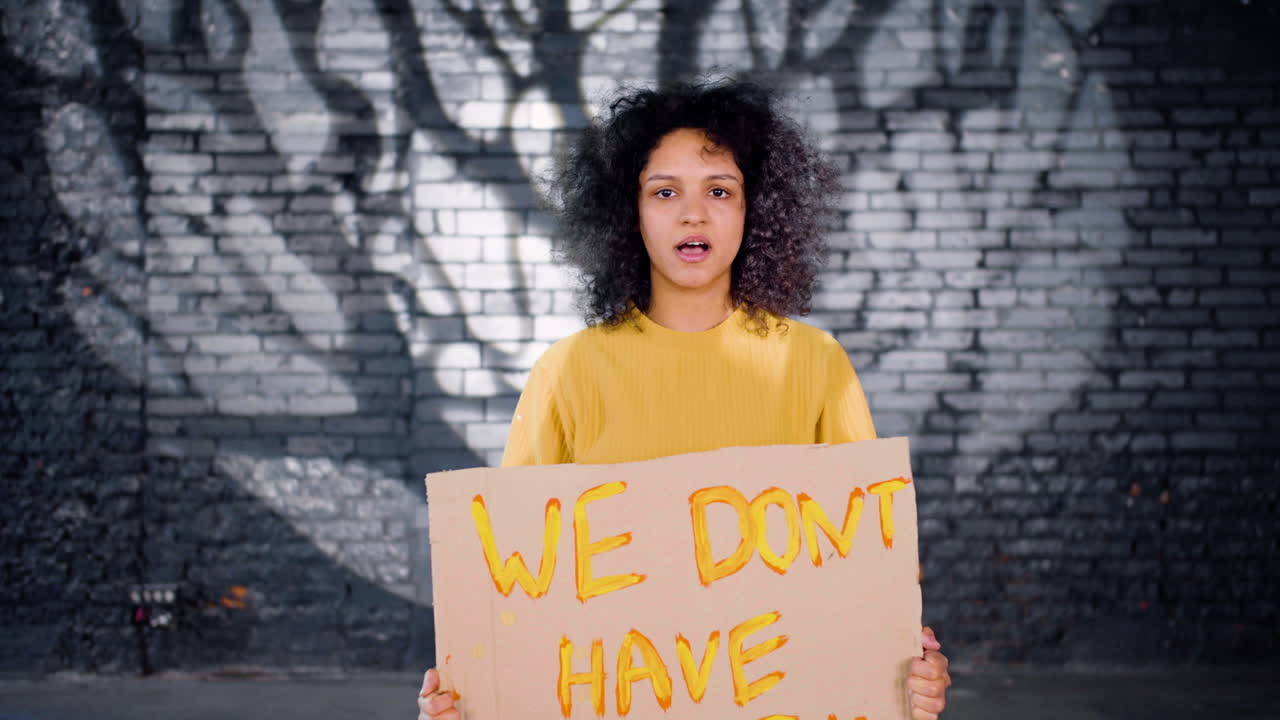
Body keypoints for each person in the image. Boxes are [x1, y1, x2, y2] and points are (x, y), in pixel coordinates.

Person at [417, 79, 951, 720]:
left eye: (719, 191)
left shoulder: (815, 364)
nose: (692, 214)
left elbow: (870, 572)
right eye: (664, 192)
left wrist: (905, 676)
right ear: (629, 212)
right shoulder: (568, 372)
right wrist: (468, 697)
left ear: (756, 209)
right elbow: (518, 596)